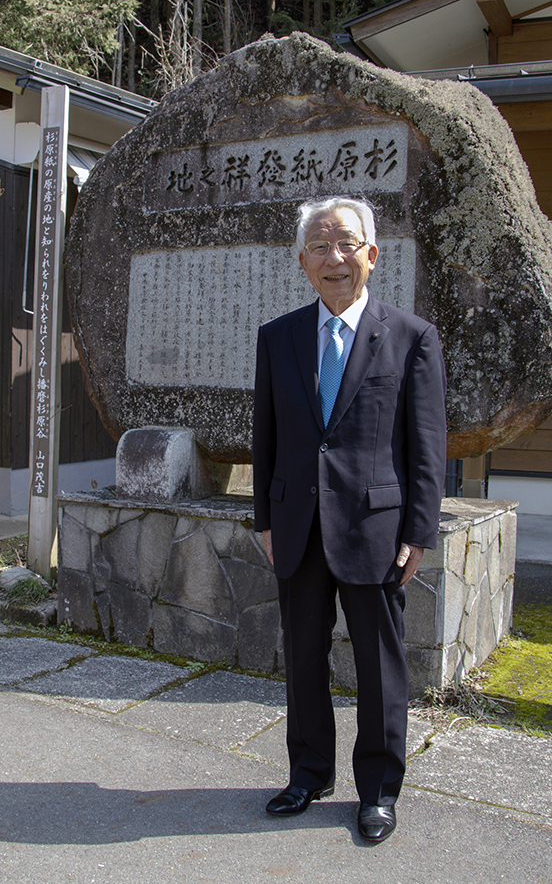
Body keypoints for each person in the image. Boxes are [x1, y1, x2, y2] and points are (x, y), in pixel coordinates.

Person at [253, 196, 447, 842]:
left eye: (346, 243)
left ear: (371, 253)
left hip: (376, 529)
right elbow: (268, 435)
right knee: (302, 658)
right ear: (301, 260)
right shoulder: (277, 338)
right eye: (319, 244)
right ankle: (309, 773)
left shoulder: (412, 338)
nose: (333, 257)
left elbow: (425, 444)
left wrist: (420, 530)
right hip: (298, 525)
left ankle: (379, 790)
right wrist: (263, 517)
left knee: (380, 667)